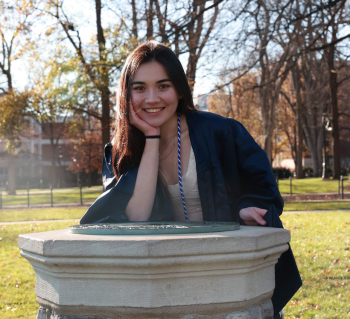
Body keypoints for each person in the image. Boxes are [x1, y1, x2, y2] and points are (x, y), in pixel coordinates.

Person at [80, 41, 301, 319]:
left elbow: (264, 187)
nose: (152, 98)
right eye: (139, 88)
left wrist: (244, 206)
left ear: (179, 89)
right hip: (167, 277)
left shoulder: (222, 131)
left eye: (163, 86)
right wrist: (151, 138)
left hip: (227, 267)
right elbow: (135, 216)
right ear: (126, 94)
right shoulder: (119, 152)